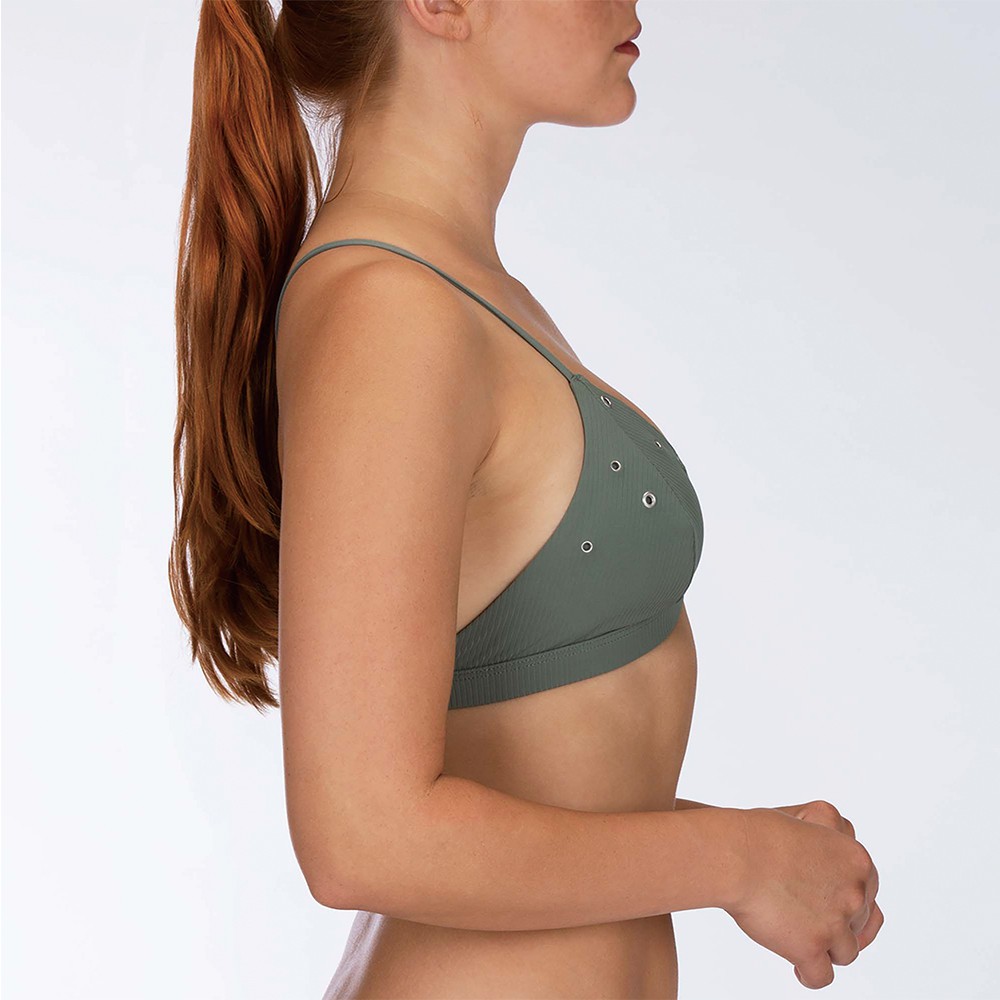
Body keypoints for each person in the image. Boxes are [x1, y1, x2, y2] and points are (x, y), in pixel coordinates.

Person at [169, 1, 884, 996]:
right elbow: (362, 835)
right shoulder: (390, 311)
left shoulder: (453, 287)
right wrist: (740, 860)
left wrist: (762, 851)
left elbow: (532, 775)